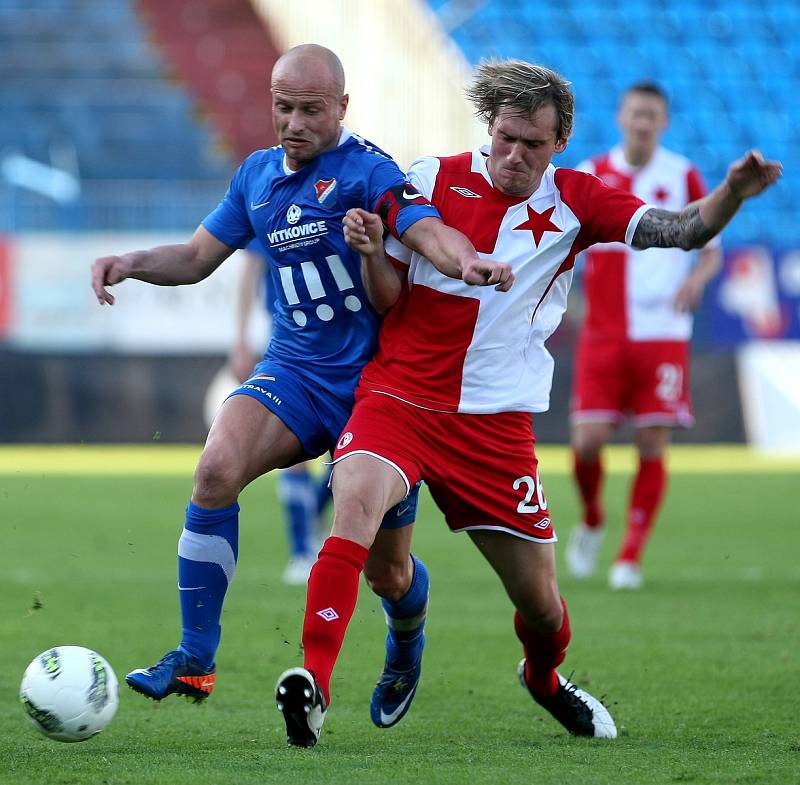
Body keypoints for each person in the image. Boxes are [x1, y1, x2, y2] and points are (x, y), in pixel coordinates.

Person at [274, 58, 781, 747]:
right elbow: (388, 298)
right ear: (489, 126)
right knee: (361, 520)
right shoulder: (427, 180)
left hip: (495, 426)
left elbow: (684, 230)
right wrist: (370, 253)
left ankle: (544, 679)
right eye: (505, 137)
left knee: (542, 608)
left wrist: (732, 193)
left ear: (560, 142)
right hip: (398, 397)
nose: (514, 155)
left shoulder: (578, 200)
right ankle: (313, 686)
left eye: (532, 144)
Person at [90, 44, 511, 707]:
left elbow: (426, 229)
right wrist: (132, 260)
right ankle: (196, 657)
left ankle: (406, 638)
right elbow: (198, 257)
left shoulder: (368, 171)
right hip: (294, 373)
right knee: (215, 467)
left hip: (380, 390)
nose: (293, 122)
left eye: (310, 110)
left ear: (342, 107)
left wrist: (468, 261)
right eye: (283, 107)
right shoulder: (256, 176)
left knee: (388, 571)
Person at [565, 83, 723, 590]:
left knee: (651, 441)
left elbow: (713, 245)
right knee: (587, 443)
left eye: (652, 115)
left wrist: (697, 279)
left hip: (662, 333)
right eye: (636, 113)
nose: (643, 122)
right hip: (605, 332)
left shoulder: (682, 175)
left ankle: (629, 555)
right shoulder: (592, 174)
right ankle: (592, 519)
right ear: (620, 117)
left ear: (664, 122)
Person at [230, 239, 332, 585]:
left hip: (347, 338)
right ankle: (302, 550)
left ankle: (313, 518)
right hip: (291, 342)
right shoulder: (272, 193)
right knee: (294, 445)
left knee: (350, 454)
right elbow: (249, 270)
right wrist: (241, 341)